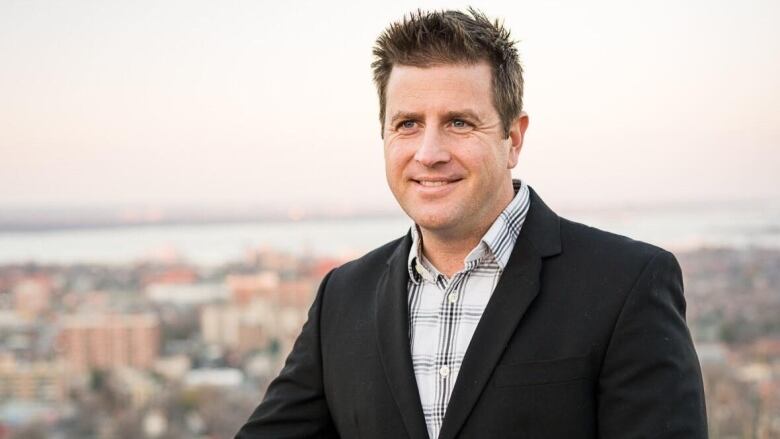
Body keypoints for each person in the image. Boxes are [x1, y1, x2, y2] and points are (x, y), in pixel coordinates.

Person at [236, 8, 707, 439]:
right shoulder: (342, 298)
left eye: (459, 123)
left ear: (513, 139)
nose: (429, 153)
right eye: (407, 124)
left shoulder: (626, 284)